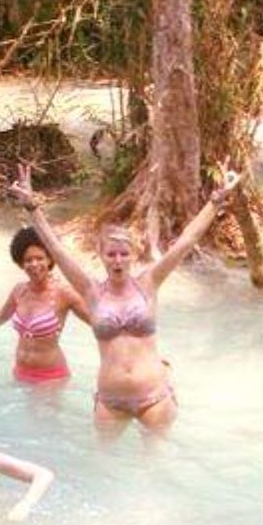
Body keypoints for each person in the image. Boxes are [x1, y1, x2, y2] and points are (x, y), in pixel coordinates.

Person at [19, 163, 241, 436]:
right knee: (106, 470)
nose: (118, 260)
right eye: (111, 254)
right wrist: (32, 208)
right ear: (100, 254)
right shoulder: (90, 290)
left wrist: (216, 201)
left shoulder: (149, 283)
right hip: (110, 400)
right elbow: (55, 247)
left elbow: (186, 241)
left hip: (154, 396)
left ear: (134, 254)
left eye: (124, 254)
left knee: (154, 470)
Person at [0, 227, 90, 384]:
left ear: (50, 259)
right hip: (20, 373)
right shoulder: (19, 291)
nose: (34, 264)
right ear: (21, 263)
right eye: (28, 260)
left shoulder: (64, 293)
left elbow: (98, 323)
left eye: (40, 258)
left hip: (51, 378)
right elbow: (1, 316)